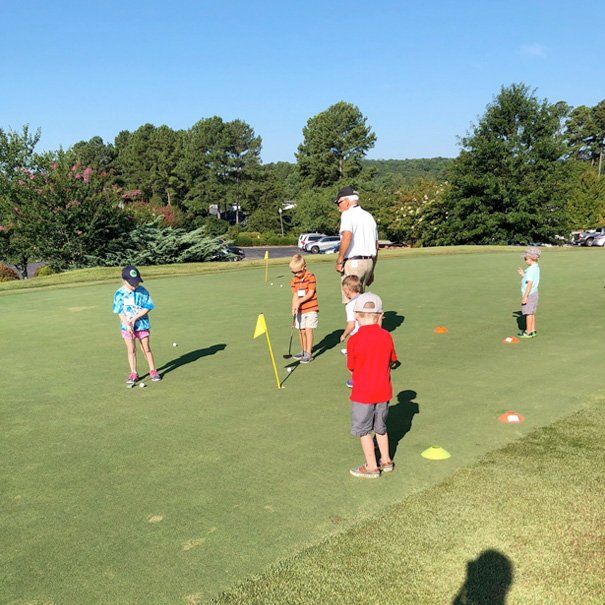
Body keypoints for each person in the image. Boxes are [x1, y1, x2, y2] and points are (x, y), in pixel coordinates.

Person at [346, 293, 397, 478]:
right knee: (381, 428)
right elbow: (392, 360)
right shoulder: (386, 336)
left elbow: (351, 366)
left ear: (357, 315)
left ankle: (371, 466)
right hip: (383, 391)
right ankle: (386, 460)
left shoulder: (354, 340)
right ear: (380, 315)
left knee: (364, 430)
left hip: (363, 393)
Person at [112, 265, 161, 387]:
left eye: (136, 282)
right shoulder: (119, 294)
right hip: (127, 328)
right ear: (124, 280)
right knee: (131, 350)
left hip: (142, 325)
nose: (135, 286)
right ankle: (134, 373)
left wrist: (134, 318)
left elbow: (148, 307)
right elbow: (119, 311)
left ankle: (153, 371)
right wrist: (126, 324)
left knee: (146, 349)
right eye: (132, 283)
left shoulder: (142, 291)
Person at [334, 186, 378, 303]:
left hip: (354, 263)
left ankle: (353, 322)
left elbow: (347, 236)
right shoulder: (369, 216)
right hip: (368, 263)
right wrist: (372, 269)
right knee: (361, 302)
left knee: (352, 303)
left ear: (347, 202)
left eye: (339, 203)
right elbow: (376, 245)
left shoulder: (347, 214)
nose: (338, 208)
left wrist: (339, 260)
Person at [289, 254, 318, 363]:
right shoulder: (294, 280)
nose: (296, 274)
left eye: (298, 272)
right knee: (301, 331)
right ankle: (303, 350)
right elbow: (295, 294)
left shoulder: (311, 276)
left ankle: (308, 353)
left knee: (308, 330)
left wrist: (299, 302)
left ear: (304, 267)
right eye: (293, 272)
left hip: (311, 308)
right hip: (300, 310)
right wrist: (293, 306)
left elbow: (310, 293)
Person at [517, 247, 540, 338]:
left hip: (529, 294)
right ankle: (533, 330)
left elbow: (529, 283)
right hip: (534, 293)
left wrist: (525, 296)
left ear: (532, 258)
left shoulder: (531, 270)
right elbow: (529, 279)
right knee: (531, 313)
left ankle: (528, 332)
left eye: (526, 258)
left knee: (528, 314)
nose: (525, 260)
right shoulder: (535, 267)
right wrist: (523, 274)